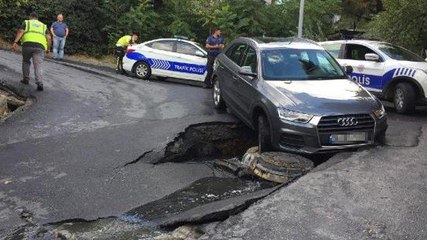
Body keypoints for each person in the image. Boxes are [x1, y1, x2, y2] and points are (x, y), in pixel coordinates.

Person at [12, 12, 51, 91]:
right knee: (38, 65)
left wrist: (15, 42)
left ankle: (26, 79)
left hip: (27, 44)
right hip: (40, 46)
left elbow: (21, 31)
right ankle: (39, 82)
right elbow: (49, 38)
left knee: (26, 61)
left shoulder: (27, 22)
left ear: (30, 17)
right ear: (37, 18)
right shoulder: (43, 26)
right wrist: (48, 48)